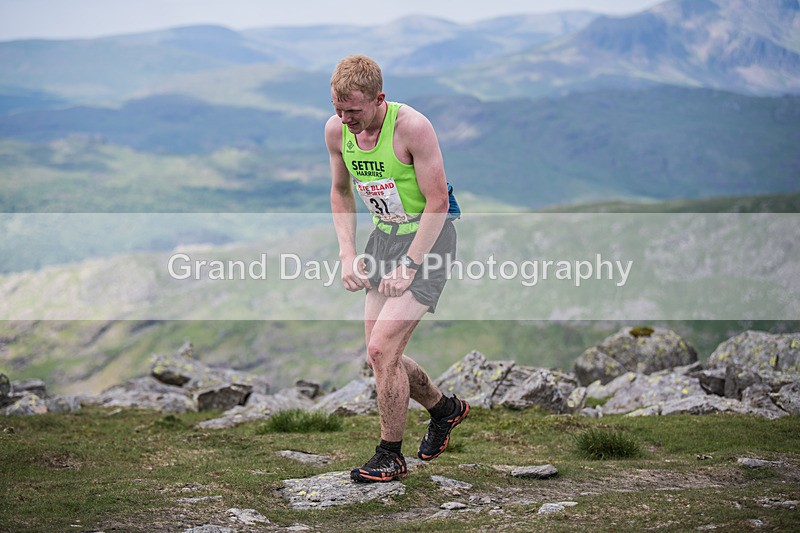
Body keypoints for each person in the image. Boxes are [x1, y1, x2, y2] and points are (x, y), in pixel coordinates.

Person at [325, 55, 469, 483]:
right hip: (383, 240)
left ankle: (390, 455)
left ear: (378, 99)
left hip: (429, 241)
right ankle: (446, 410)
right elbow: (340, 192)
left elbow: (438, 202)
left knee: (381, 351)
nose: (345, 118)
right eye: (338, 108)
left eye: (354, 109)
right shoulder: (336, 131)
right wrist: (348, 254)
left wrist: (410, 265)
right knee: (382, 355)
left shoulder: (412, 127)